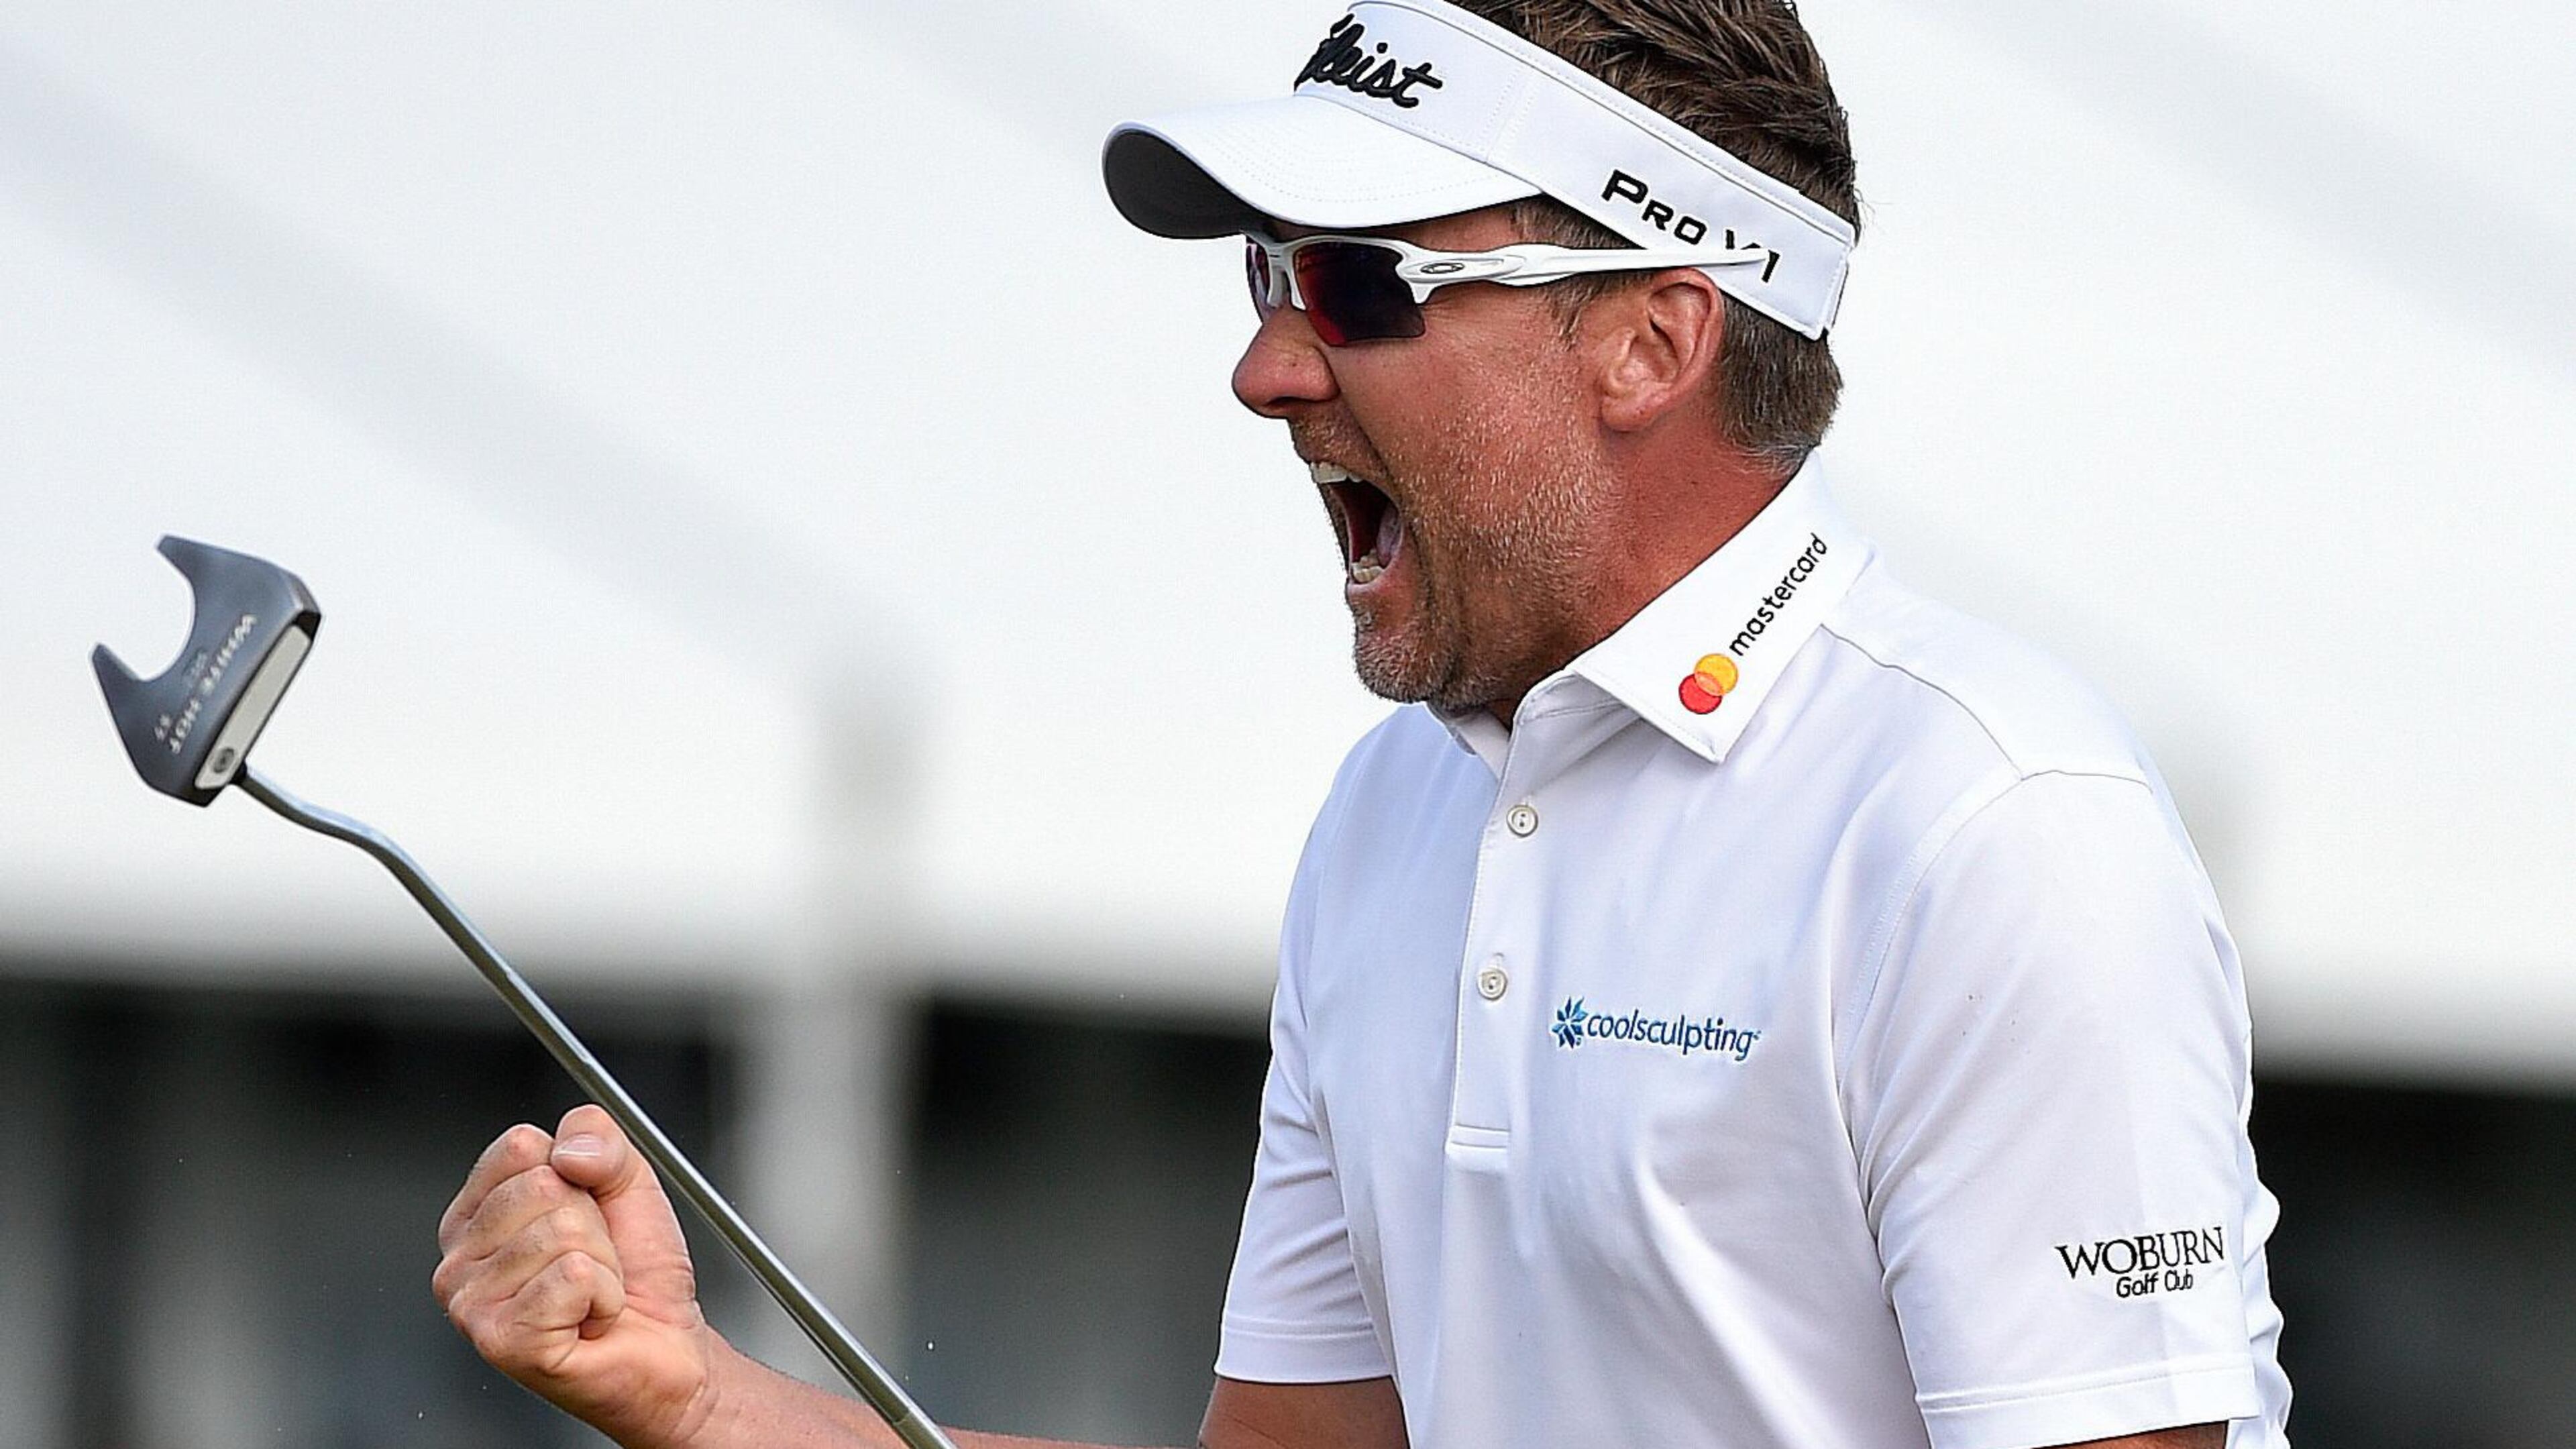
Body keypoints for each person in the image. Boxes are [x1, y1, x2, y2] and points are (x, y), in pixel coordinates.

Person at [432, 1, 2294, 1446]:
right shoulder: (1401, 810)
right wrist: (706, 1401)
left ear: (1652, 340)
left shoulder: (1991, 827)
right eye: (1267, 274)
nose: (1265, 367)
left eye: (1354, 278)